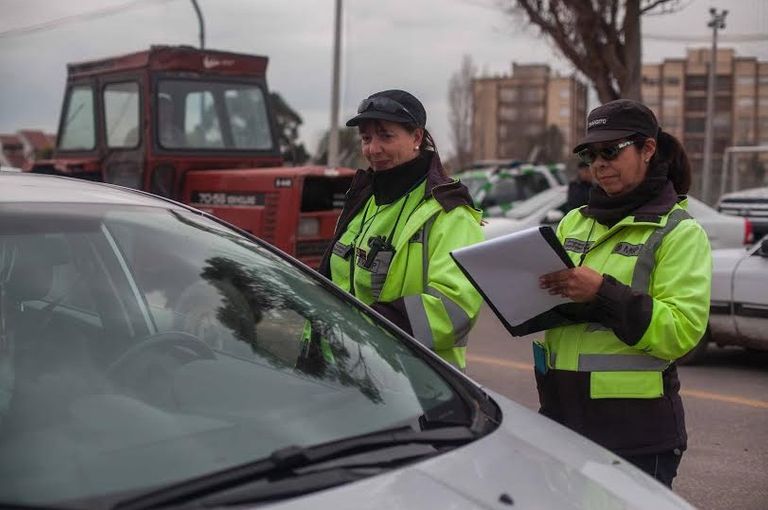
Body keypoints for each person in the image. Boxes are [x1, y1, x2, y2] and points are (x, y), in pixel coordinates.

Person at [533, 99, 711, 487]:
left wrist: (602, 293)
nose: (599, 163)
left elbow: (681, 331)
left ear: (648, 149)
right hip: (563, 423)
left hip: (635, 436)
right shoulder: (573, 222)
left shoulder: (678, 232)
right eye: (590, 153)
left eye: (611, 151)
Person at [318, 89, 484, 370]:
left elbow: (455, 308)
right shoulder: (362, 201)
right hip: (347, 375)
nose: (373, 149)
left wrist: (363, 326)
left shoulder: (450, 212)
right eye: (366, 138)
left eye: (386, 136)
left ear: (417, 137)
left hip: (419, 388)